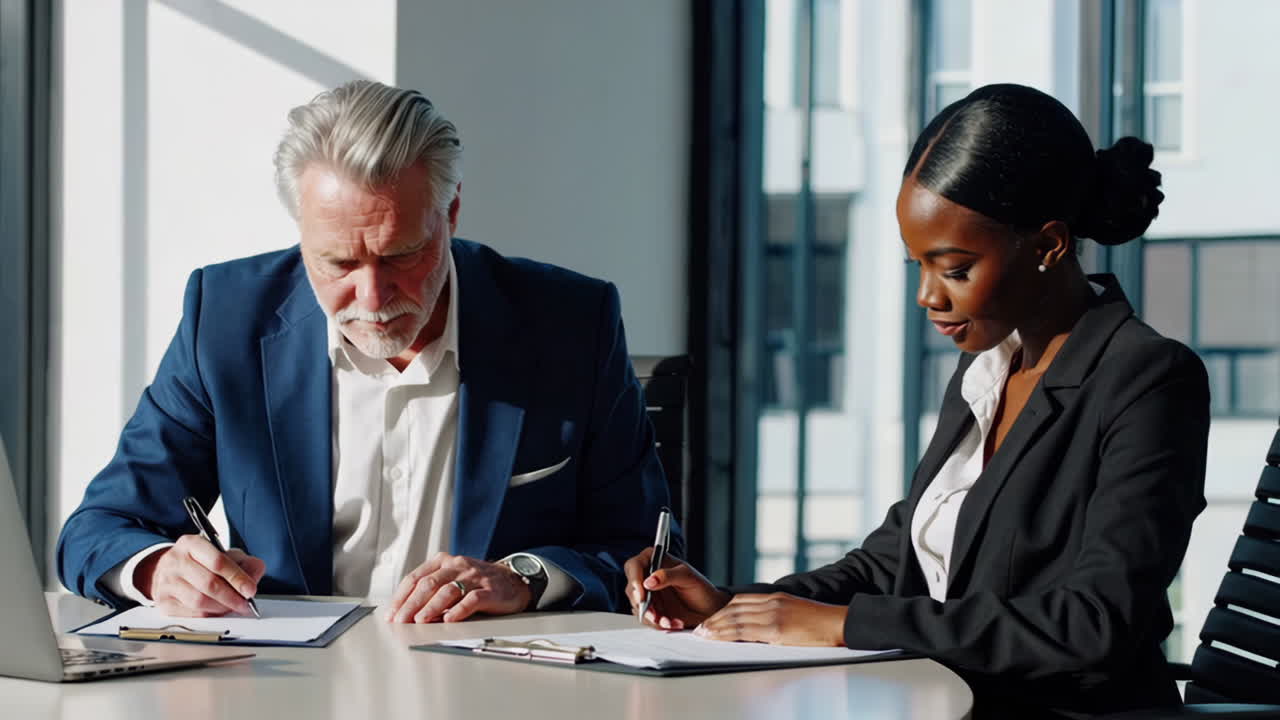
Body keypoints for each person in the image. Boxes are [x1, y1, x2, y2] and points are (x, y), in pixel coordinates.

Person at [624, 84, 1207, 718]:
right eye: (918, 267)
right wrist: (738, 606)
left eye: (954, 269)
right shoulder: (987, 367)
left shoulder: (1148, 379)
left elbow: (1094, 623)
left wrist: (845, 626)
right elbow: (894, 559)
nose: (928, 296)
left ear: (1047, 246)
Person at [58, 79, 678, 623]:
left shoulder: (570, 321)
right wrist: (158, 569)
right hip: (283, 687)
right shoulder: (224, 318)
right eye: (338, 263)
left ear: (451, 212)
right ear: (300, 232)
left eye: (401, 255)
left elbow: (646, 549)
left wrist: (525, 578)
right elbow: (96, 531)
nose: (373, 296)